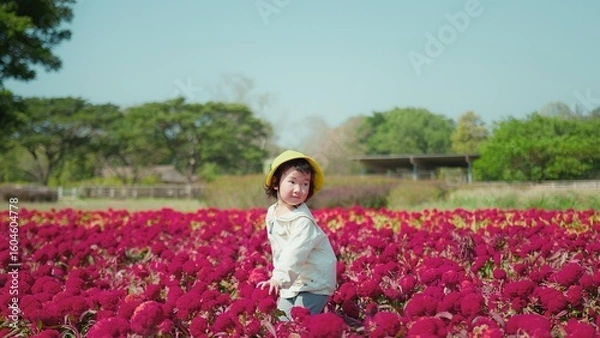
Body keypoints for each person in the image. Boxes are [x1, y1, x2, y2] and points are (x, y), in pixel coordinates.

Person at [257, 150, 337, 320]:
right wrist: (281, 279)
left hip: (315, 283)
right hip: (293, 281)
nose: (298, 189)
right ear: (276, 183)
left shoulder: (303, 221)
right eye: (292, 182)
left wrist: (278, 279)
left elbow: (295, 252)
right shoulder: (272, 212)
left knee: (299, 325)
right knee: (282, 323)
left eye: (305, 184)